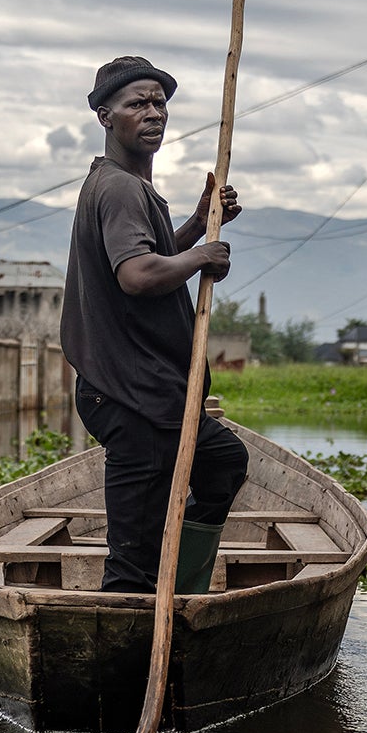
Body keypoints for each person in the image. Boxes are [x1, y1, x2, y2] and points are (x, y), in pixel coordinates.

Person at [61, 56, 248, 594]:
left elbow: (154, 254)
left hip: (146, 392)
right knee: (130, 569)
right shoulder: (120, 188)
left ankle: (180, 580)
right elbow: (139, 275)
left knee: (222, 462)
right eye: (136, 103)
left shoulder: (129, 189)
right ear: (105, 116)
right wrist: (204, 257)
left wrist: (197, 223)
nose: (153, 112)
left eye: (159, 103)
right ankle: (134, 623)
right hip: (128, 394)